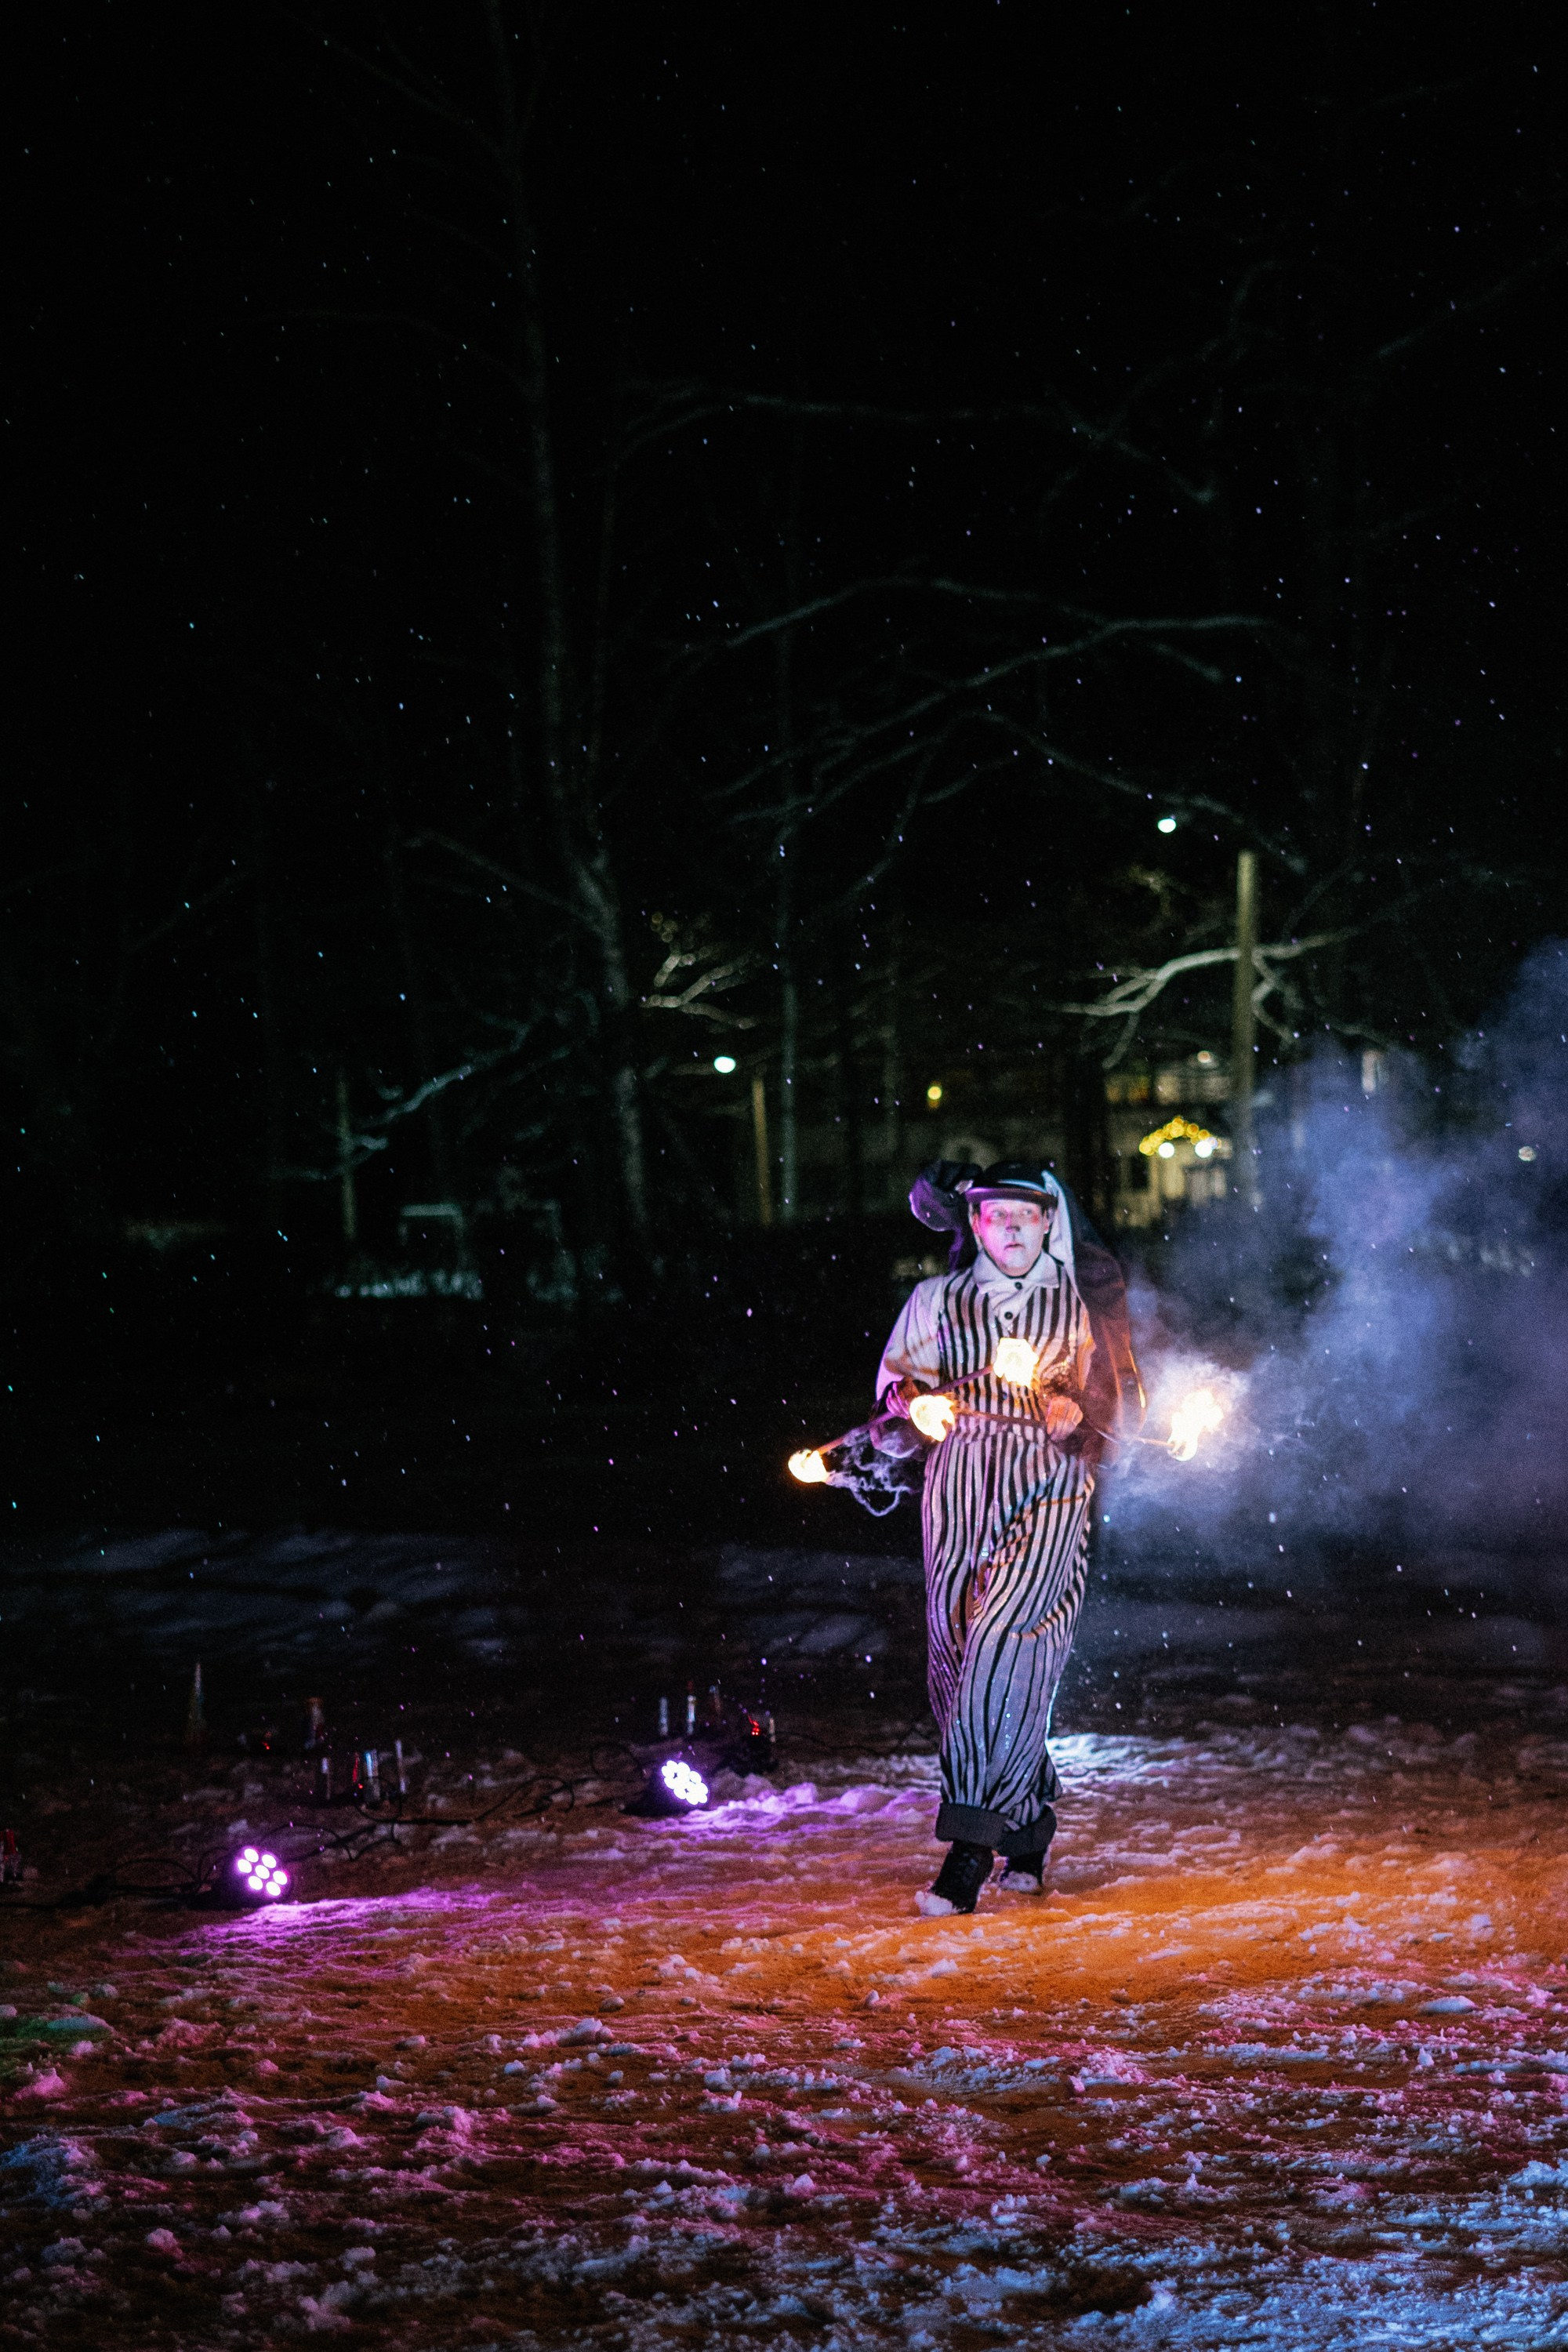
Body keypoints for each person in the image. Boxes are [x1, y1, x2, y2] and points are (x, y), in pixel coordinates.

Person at [877, 1160, 1142, 1915]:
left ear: (1050, 1222)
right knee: (958, 1664)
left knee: (1009, 1643)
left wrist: (1079, 1414)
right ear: (977, 1225)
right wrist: (915, 1409)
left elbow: (1119, 1405)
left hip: (1049, 1487)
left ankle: (968, 1845)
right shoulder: (936, 1301)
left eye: (1029, 1214)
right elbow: (895, 1394)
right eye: (997, 1216)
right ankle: (1028, 1826)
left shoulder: (1083, 1305)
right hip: (958, 1485)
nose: (1014, 1228)